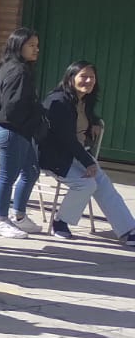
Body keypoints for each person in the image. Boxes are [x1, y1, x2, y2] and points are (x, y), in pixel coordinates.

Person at [40, 62, 134, 243]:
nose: (88, 80)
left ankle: (128, 230)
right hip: (55, 156)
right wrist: (88, 162)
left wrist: (95, 121)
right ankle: (60, 222)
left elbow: (83, 119)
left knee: (104, 184)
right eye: (83, 76)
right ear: (70, 78)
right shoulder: (58, 101)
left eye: (92, 77)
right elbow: (66, 139)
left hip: (76, 154)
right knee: (86, 184)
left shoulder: (83, 100)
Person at [0, 27, 47, 239]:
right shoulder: (17, 71)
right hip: (12, 130)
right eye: (31, 45)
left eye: (37, 46)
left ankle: (19, 216)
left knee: (31, 171)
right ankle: (0, 220)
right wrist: (35, 114)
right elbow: (12, 108)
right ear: (18, 46)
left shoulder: (18, 68)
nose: (36, 49)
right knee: (7, 177)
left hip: (17, 131)